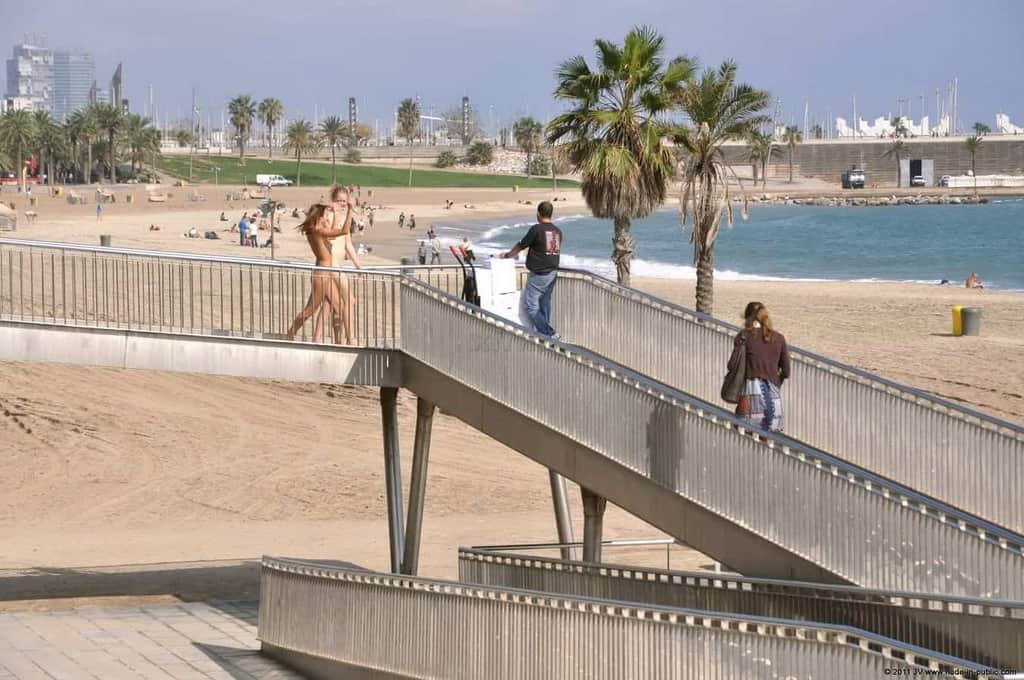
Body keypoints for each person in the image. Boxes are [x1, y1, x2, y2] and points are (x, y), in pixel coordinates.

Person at [286, 194, 357, 344]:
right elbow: (343, 231)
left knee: (339, 307)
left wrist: (335, 212)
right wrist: (350, 210)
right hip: (322, 274)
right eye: (325, 216)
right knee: (310, 310)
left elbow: (331, 236)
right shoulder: (318, 230)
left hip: (326, 272)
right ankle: (290, 333)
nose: (326, 219)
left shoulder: (318, 228)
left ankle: (339, 341)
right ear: (319, 217)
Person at [501, 201, 561, 338]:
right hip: (553, 272)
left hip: (540, 273)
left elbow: (521, 245)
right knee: (544, 303)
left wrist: (508, 255)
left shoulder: (536, 229)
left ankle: (549, 333)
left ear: (538, 214)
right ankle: (545, 334)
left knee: (531, 306)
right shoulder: (557, 231)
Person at [314, 184, 362, 345]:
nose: (342, 204)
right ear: (333, 200)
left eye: (344, 201)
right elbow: (330, 237)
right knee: (349, 300)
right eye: (339, 200)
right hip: (330, 265)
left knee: (329, 305)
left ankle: (326, 339)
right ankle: (351, 339)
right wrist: (334, 214)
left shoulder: (346, 218)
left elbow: (348, 244)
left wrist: (358, 265)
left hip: (338, 265)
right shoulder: (326, 216)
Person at [733, 302, 791, 433]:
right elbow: (786, 372)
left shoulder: (744, 336)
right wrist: (776, 380)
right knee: (769, 441)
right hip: (773, 397)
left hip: (750, 396)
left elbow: (732, 364)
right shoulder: (779, 338)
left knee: (743, 436)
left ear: (747, 318)